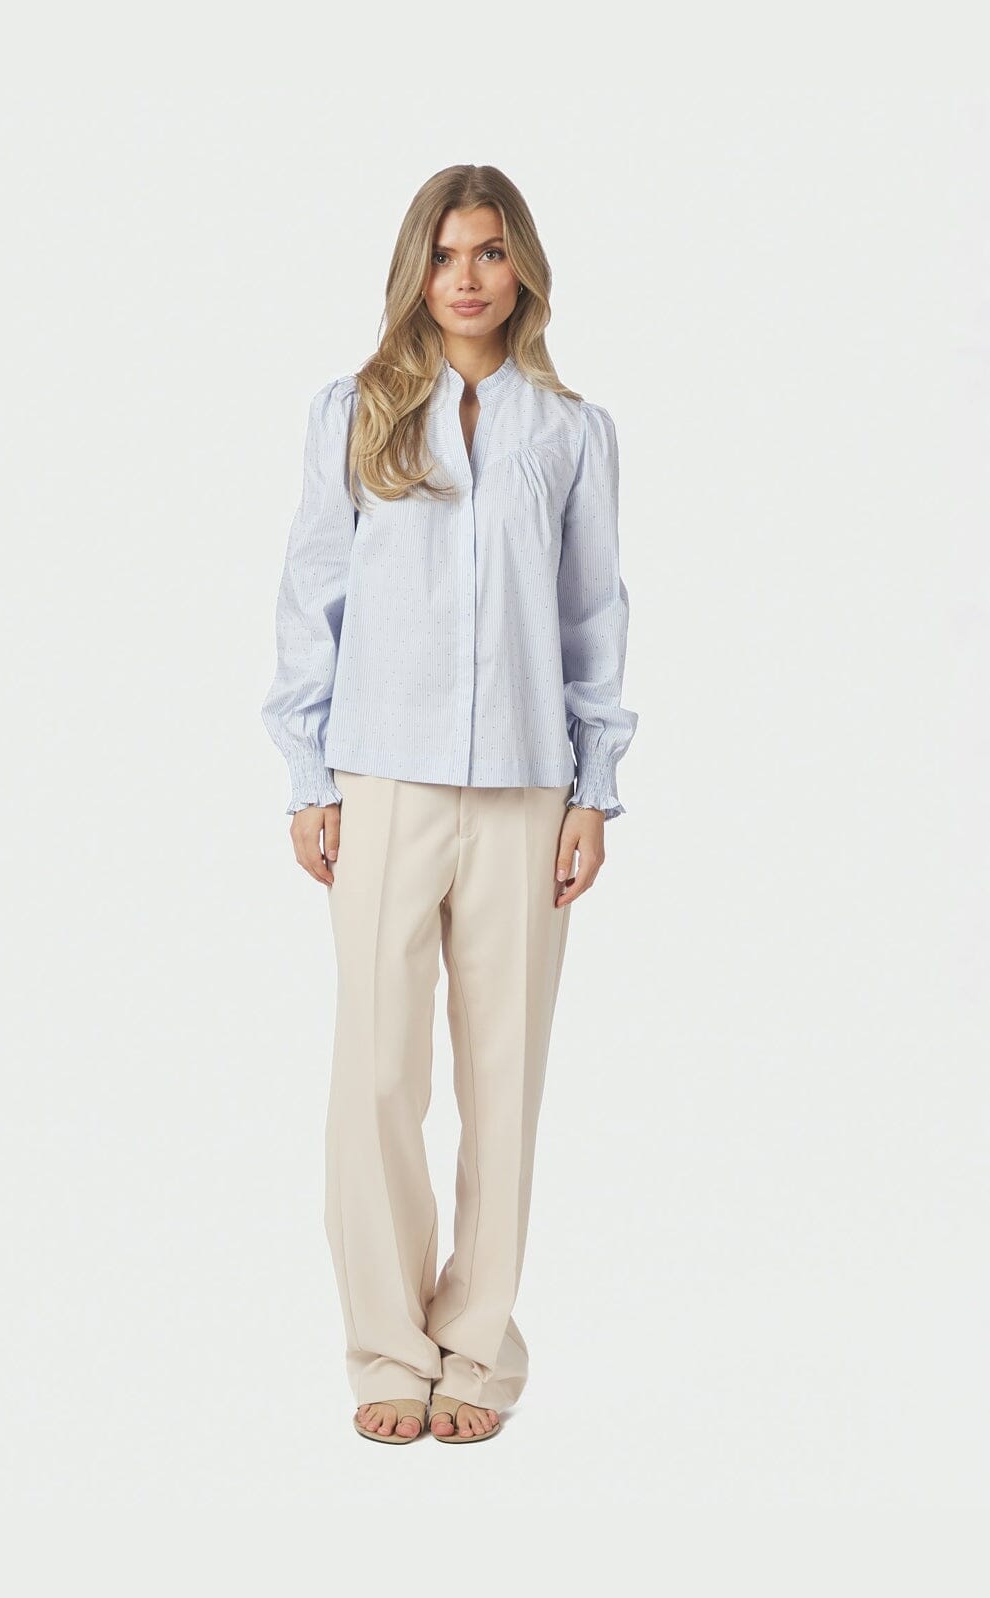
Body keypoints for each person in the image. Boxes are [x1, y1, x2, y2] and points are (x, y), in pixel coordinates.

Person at [261, 164, 638, 1444]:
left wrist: (594, 790)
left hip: (529, 785)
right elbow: (311, 593)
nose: (465, 277)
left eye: (487, 251)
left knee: (504, 1078)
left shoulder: (572, 432)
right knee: (376, 1069)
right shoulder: (357, 410)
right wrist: (307, 775)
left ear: (521, 265)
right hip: (382, 774)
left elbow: (593, 615)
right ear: (414, 270)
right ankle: (386, 1342)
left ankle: (476, 1350)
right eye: (442, 253)